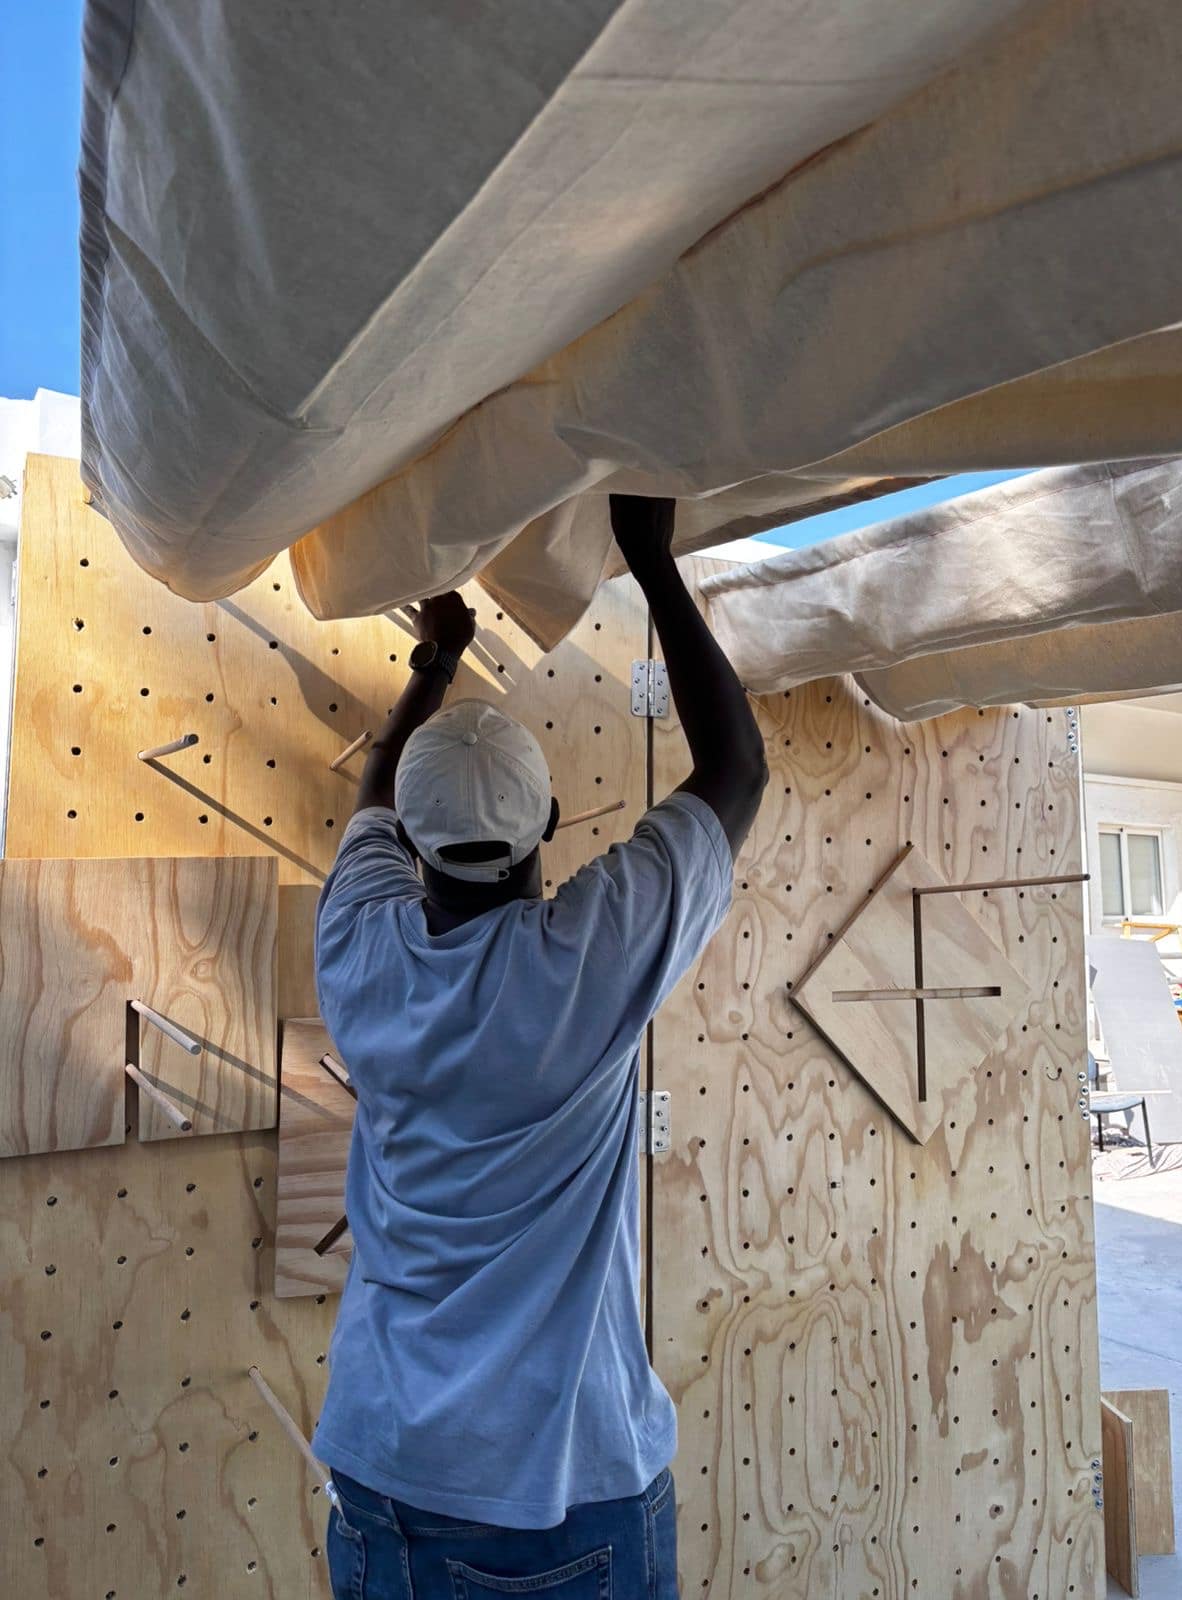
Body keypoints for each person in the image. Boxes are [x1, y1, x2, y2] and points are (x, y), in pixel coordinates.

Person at [313, 494, 767, 1598]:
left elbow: (373, 794)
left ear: (410, 843)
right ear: (550, 821)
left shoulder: (360, 948)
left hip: (380, 1470)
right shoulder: (578, 967)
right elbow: (739, 774)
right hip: (556, 1493)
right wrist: (649, 557)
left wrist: (435, 660)